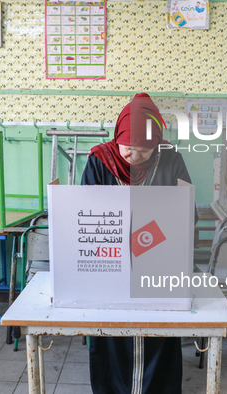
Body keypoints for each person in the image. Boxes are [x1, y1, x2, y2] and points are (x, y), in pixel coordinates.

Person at [81, 93, 194, 394]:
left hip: (159, 268)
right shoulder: (99, 161)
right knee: (111, 336)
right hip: (109, 267)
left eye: (143, 151)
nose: (133, 157)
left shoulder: (171, 160)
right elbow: (86, 217)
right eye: (128, 148)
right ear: (117, 136)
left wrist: (144, 240)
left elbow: (187, 212)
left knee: (159, 337)